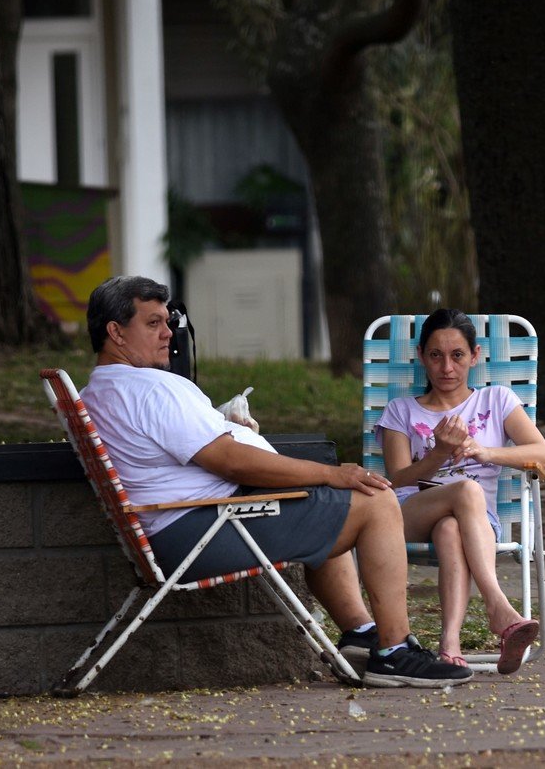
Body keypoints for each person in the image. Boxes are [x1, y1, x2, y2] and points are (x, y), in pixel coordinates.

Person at [78, 275, 473, 690]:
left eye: (168, 321)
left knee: (331, 499)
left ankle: (360, 633)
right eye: (154, 323)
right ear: (116, 332)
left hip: (175, 526)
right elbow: (231, 462)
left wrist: (227, 428)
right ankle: (393, 653)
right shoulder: (151, 388)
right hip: (202, 529)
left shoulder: (100, 389)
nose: (168, 334)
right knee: (372, 499)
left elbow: (180, 452)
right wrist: (331, 472)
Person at [376, 308, 545, 674]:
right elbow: (398, 478)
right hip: (410, 511)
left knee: (451, 528)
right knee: (467, 490)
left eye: (457, 355)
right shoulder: (401, 410)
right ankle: (498, 606)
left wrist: (484, 451)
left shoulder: (497, 401)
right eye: (436, 356)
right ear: (421, 357)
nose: (446, 367)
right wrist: (440, 451)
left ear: (475, 356)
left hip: (475, 524)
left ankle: (450, 644)